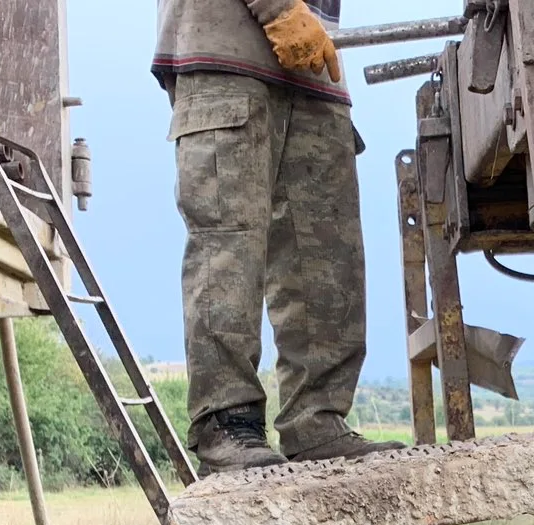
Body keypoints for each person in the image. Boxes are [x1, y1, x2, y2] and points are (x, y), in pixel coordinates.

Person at [156, 0, 390, 470]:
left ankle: (318, 422)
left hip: (317, 67)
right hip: (228, 46)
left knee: (326, 255)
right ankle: (227, 422)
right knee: (229, 242)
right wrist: (277, 7)